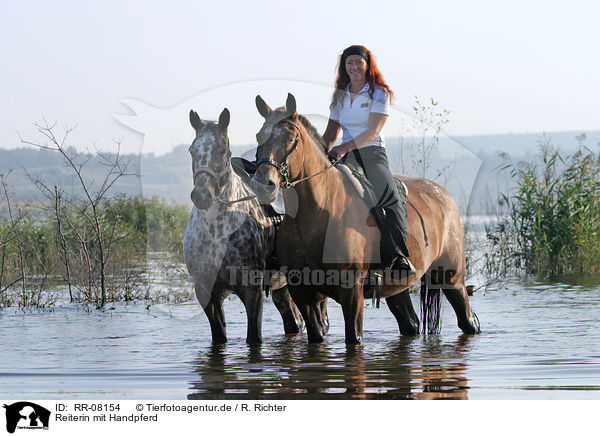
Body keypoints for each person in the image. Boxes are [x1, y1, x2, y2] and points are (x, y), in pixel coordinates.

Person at [323, 44, 415, 275]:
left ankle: (399, 255)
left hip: (372, 153)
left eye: (358, 62)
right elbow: (331, 133)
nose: (354, 67)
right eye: (349, 63)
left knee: (390, 197)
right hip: (346, 155)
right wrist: (320, 152)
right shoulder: (340, 96)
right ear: (344, 67)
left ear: (367, 65)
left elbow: (372, 132)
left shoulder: (378, 93)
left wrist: (344, 148)